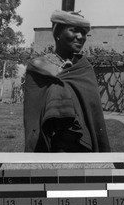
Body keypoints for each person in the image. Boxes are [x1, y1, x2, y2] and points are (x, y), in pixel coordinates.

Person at [23, 10, 110, 152]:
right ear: (57, 33)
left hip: (81, 144)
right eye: (74, 30)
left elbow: (93, 111)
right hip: (52, 142)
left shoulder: (84, 68)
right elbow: (34, 109)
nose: (80, 36)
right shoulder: (39, 65)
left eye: (83, 32)